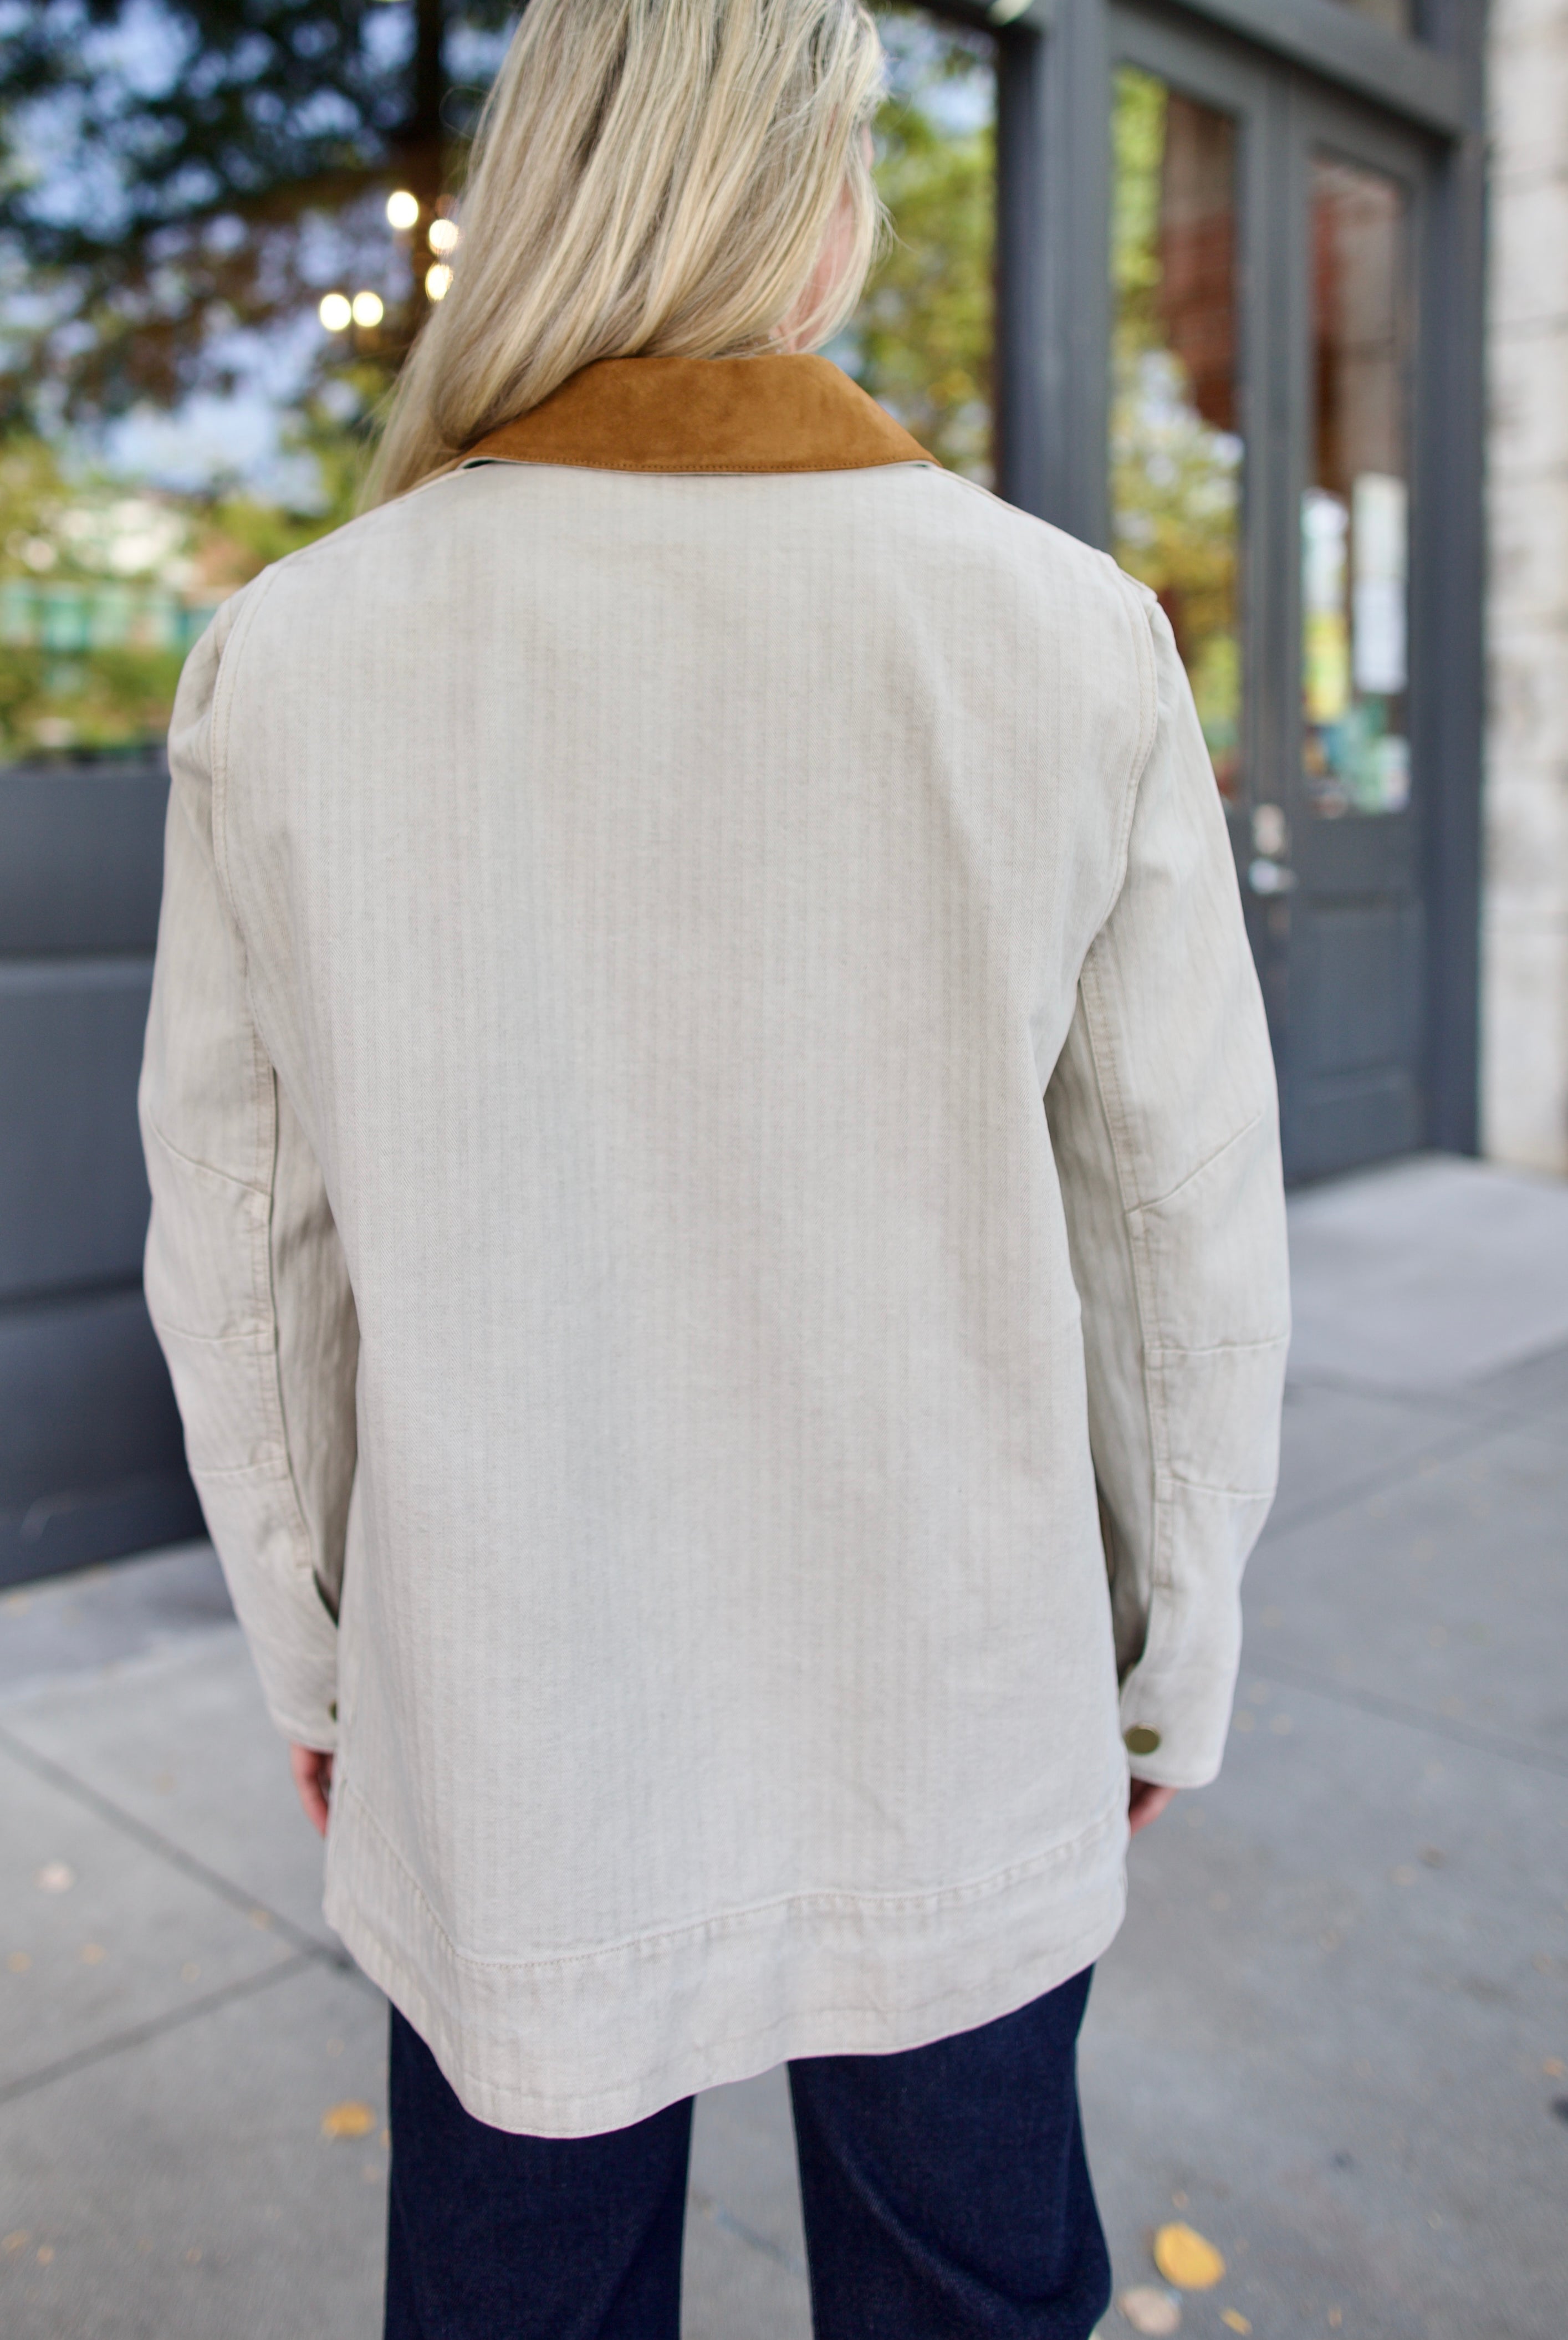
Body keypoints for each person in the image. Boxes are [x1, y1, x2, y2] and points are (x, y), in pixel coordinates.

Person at [139, 1, 1289, 2332]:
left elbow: (255, 1275)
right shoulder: (1062, 640)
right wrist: (1169, 1659)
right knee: (970, 2291)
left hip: (515, 1711)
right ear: (811, 201)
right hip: (956, 1705)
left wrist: (328, 1671)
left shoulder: (302, 657)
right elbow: (1178, 1243)